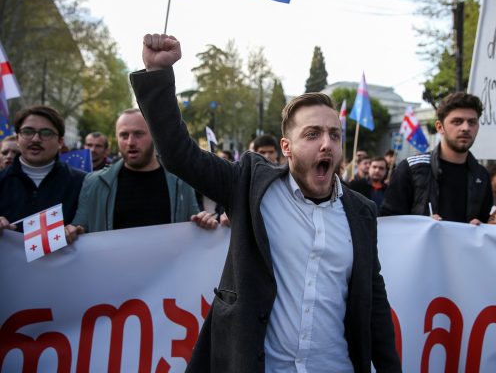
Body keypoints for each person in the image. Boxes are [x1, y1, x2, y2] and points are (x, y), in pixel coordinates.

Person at [129, 33, 402, 373]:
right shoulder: (249, 186)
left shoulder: (361, 212)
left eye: (334, 134)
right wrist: (157, 74)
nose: (327, 144)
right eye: (312, 134)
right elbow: (178, 154)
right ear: (286, 147)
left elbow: (374, 302)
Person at [67, 109, 201, 233]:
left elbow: (195, 221)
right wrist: (71, 232)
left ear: (154, 136)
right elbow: (80, 226)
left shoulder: (181, 181)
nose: (131, 142)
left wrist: (204, 221)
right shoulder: (94, 182)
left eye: (138, 134)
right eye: (124, 135)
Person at [380, 92, 493, 224]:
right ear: (440, 127)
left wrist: (480, 225)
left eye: (472, 122)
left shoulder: (481, 175)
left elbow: (485, 223)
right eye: (457, 122)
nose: (466, 128)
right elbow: (388, 221)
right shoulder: (411, 168)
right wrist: (420, 224)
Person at [0, 106, 86, 236]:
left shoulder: (83, 183)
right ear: (17, 138)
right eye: (28, 132)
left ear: (60, 142)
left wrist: (79, 228)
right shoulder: (2, 180)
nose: (35, 139)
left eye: (46, 133)